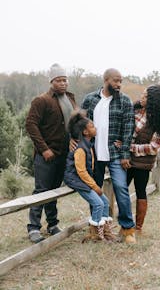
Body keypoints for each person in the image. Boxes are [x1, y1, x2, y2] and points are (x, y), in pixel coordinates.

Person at [81, 68, 136, 243]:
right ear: (106, 80)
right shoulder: (90, 100)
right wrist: (76, 142)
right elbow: (79, 123)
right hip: (94, 153)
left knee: (121, 187)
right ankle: (98, 228)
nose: (119, 84)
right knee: (95, 189)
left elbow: (128, 129)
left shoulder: (125, 101)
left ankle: (128, 229)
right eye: (116, 81)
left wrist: (125, 153)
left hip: (116, 154)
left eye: (121, 81)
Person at [26, 63, 77, 243]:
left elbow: (73, 124)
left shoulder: (70, 99)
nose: (63, 83)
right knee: (41, 191)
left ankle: (53, 224)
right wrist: (44, 149)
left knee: (54, 191)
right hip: (46, 155)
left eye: (65, 79)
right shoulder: (42, 100)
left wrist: (74, 139)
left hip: (64, 155)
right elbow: (31, 125)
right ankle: (33, 228)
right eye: (59, 80)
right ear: (52, 81)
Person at [64, 110, 117, 242]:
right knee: (98, 204)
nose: (95, 128)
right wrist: (94, 186)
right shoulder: (81, 149)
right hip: (76, 180)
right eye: (92, 126)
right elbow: (81, 172)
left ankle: (105, 231)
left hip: (84, 180)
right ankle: (94, 235)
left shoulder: (89, 145)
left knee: (105, 202)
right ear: (85, 132)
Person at [127, 84, 160, 232]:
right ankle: (123, 221)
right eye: (142, 94)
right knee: (120, 189)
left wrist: (130, 148)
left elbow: (153, 147)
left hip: (143, 164)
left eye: (145, 96)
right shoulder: (135, 110)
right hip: (127, 160)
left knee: (140, 191)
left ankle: (138, 226)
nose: (141, 97)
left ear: (153, 101)